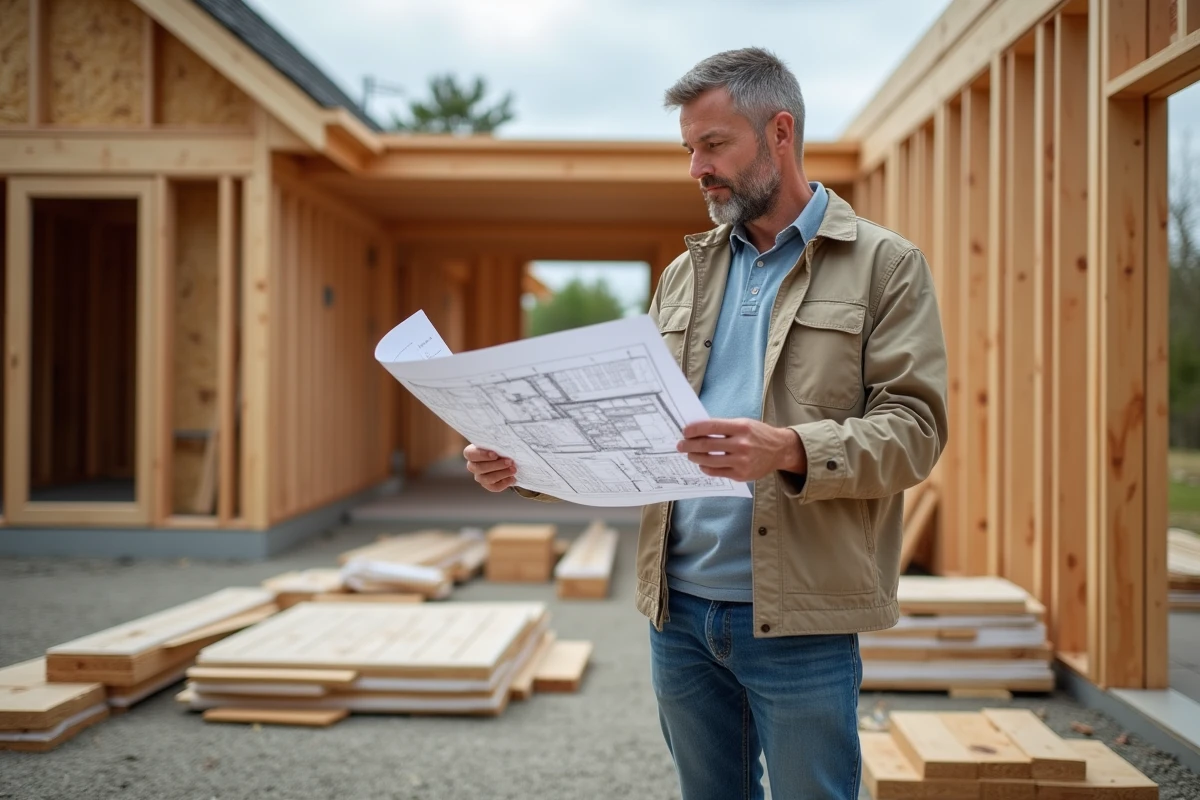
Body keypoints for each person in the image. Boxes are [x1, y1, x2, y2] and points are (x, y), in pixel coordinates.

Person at [464, 47, 949, 800]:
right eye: (689, 149)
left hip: (801, 622)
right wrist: (520, 464)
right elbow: (628, 427)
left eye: (713, 145)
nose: (696, 168)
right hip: (679, 615)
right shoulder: (683, 274)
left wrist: (789, 448)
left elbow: (916, 431)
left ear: (779, 132)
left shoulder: (883, 266)